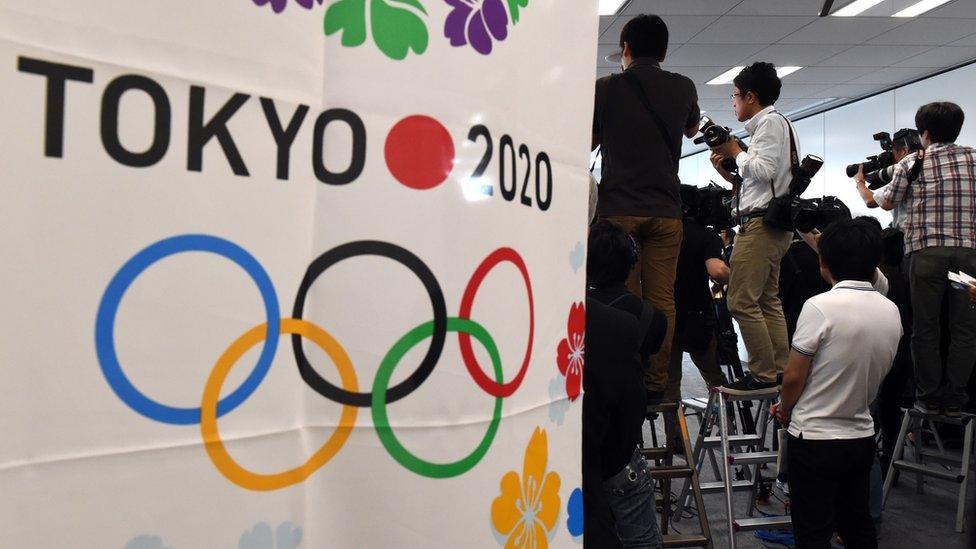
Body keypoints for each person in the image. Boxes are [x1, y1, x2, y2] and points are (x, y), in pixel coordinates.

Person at [771, 218, 902, 549]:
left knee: (812, 531)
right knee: (858, 528)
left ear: (823, 262)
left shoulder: (820, 306)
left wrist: (786, 410)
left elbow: (794, 376)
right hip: (859, 435)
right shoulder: (890, 310)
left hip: (813, 437)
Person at [592, 14, 700, 403]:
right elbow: (691, 129)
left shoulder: (605, 88)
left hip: (619, 208)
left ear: (625, 49)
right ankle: (655, 383)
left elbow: (587, 142)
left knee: (621, 293)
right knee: (662, 298)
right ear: (665, 51)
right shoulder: (684, 87)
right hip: (667, 211)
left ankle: (625, 371)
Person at [876, 101, 976, 417]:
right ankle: (957, 397)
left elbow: (888, 202)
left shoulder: (912, 163)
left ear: (926, 133)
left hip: (926, 255)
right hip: (968, 258)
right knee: (964, 328)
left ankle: (929, 396)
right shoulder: (974, 158)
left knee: (926, 327)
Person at [709, 62, 797, 393]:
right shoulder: (776, 124)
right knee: (766, 299)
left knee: (740, 299)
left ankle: (762, 372)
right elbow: (765, 177)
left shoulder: (770, 123)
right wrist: (731, 172)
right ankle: (778, 369)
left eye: (734, 96)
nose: (733, 103)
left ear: (751, 96)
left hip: (761, 225)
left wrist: (737, 152)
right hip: (769, 222)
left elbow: (762, 169)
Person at [583, 220, 667, 549]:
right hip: (621, 443)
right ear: (631, 263)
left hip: (584, 432)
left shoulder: (569, 313)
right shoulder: (652, 318)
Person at [664, 185, 729, 406]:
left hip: (667, 314)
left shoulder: (663, 234)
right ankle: (726, 429)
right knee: (714, 379)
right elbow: (717, 272)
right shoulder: (706, 236)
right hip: (698, 315)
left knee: (669, 386)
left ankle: (674, 439)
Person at [853, 130, 919, 230]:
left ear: (904, 151)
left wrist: (859, 181)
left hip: (911, 236)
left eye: (893, 154)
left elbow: (870, 201)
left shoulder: (904, 169)